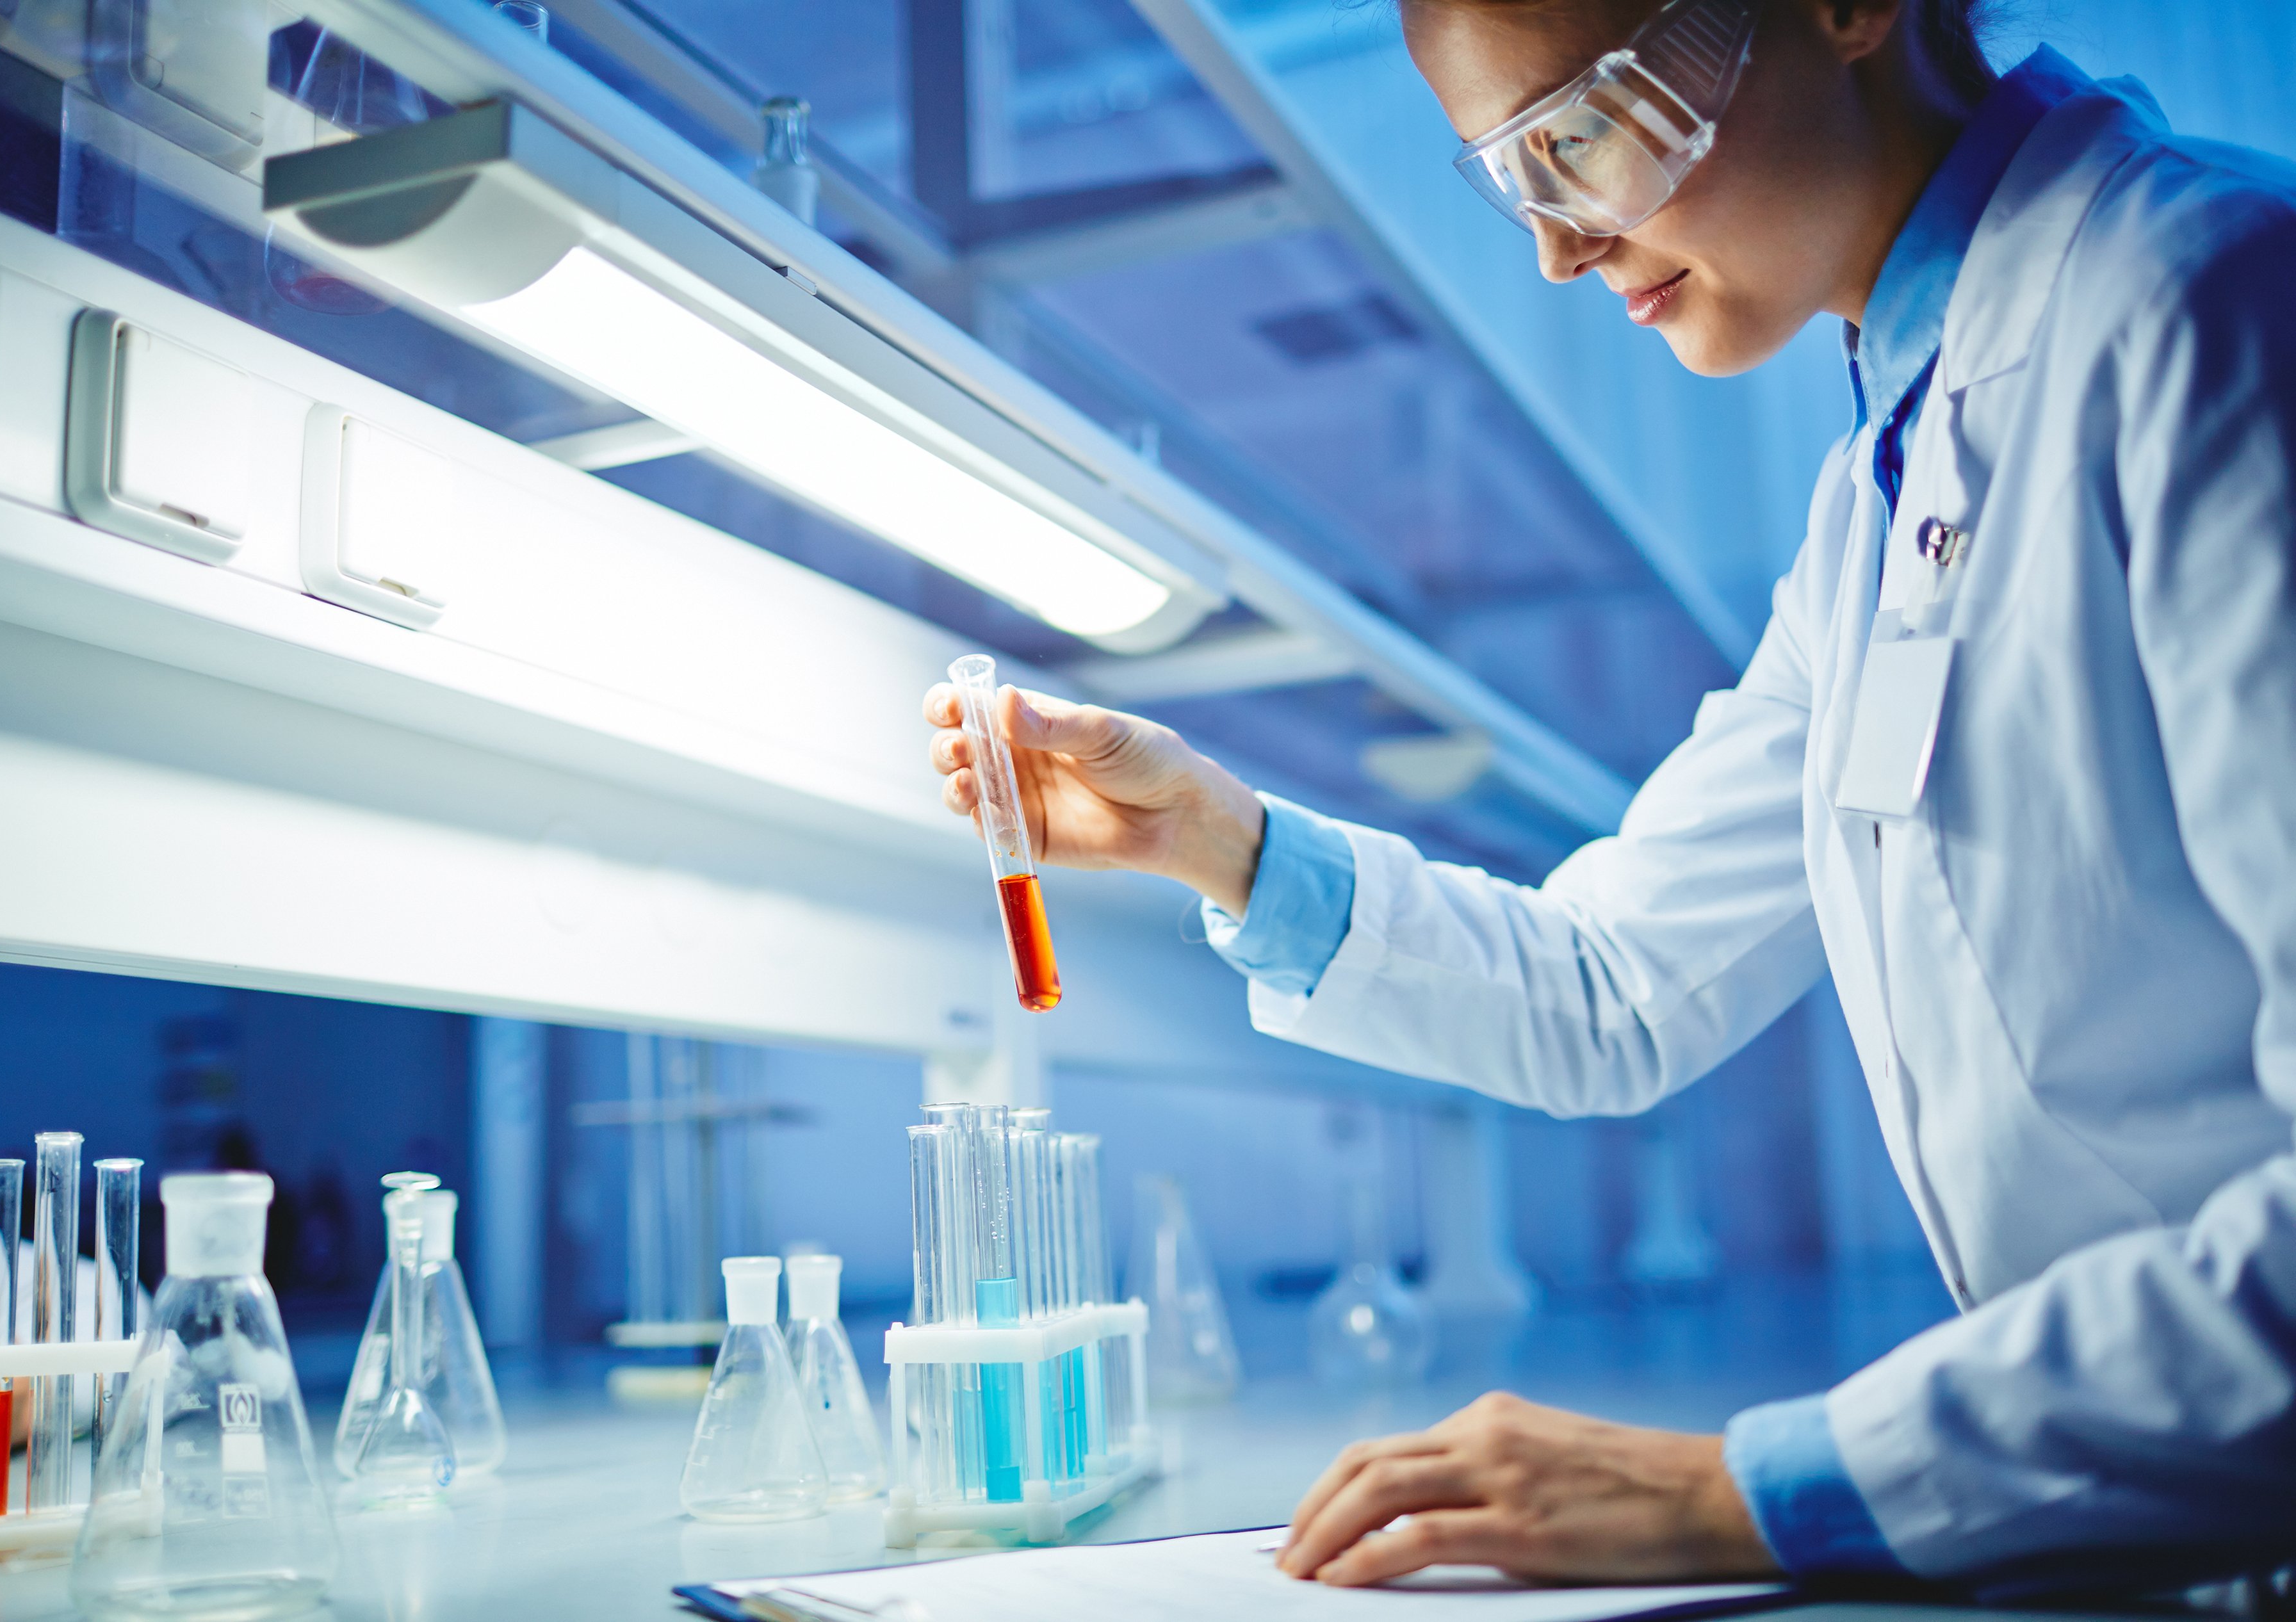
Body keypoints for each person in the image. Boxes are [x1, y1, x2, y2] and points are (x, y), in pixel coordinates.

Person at [924, 0, 2296, 1593]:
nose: (1559, 253)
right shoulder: (1883, 493)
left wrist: (1750, 1488)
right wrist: (1213, 841)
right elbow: (1616, 988)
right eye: (1514, 180)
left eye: (1582, 135)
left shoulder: (2212, 302)